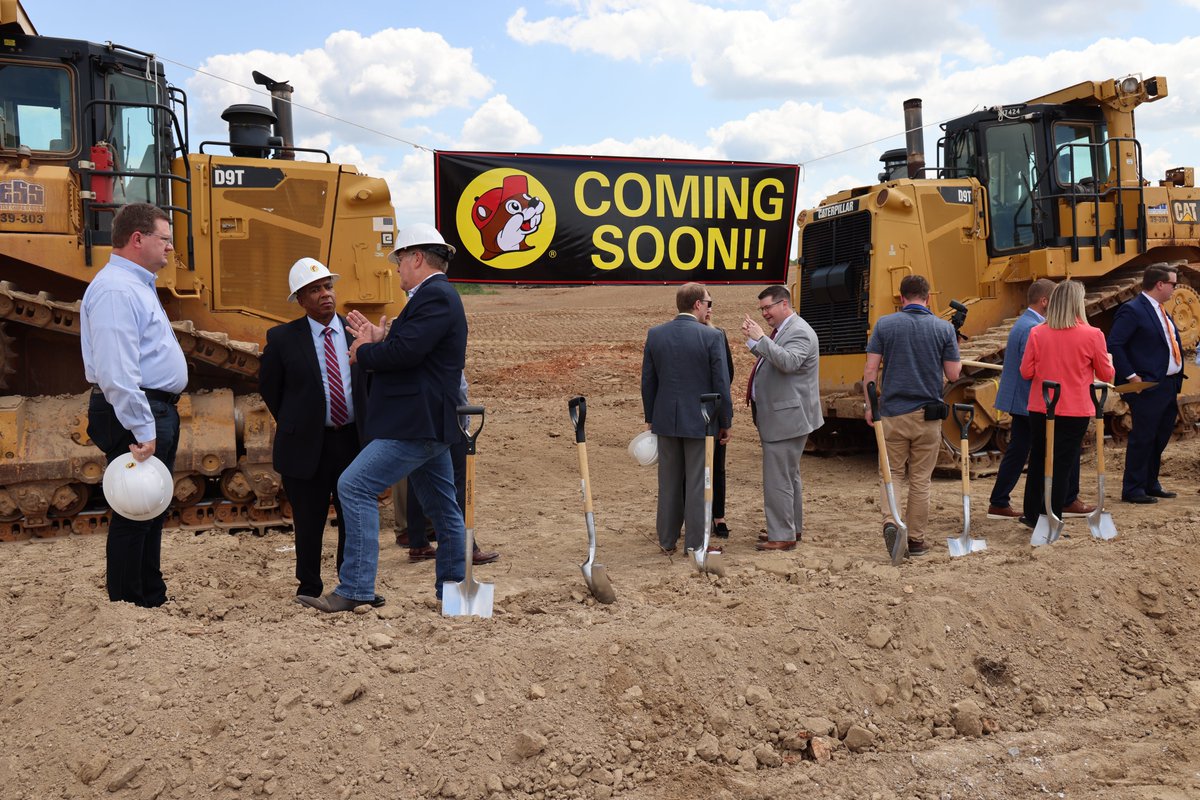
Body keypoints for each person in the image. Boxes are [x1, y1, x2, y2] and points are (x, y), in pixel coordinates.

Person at [297, 223, 468, 612]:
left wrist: (365, 353)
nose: (396, 270)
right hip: (426, 421)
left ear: (417, 259)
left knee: (353, 486)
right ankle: (455, 594)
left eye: (400, 261)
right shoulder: (433, 297)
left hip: (415, 423)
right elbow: (412, 347)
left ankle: (356, 587)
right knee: (444, 510)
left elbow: (408, 355)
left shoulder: (435, 296)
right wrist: (380, 338)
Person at [80, 202, 188, 607]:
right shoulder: (115, 290)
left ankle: (149, 597)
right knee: (134, 509)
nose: (171, 249)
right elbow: (116, 372)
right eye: (165, 239)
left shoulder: (135, 285)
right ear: (138, 238)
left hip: (152, 409)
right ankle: (128, 604)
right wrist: (143, 428)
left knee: (151, 506)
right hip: (137, 412)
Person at [259, 258, 380, 606]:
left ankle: (350, 584)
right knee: (309, 520)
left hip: (352, 441)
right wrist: (298, 421)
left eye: (327, 287)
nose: (325, 294)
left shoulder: (357, 334)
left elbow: (370, 382)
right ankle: (308, 586)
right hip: (306, 444)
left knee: (353, 517)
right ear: (300, 299)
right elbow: (271, 388)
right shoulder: (282, 339)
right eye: (315, 290)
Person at [862, 274, 961, 558]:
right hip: (928, 416)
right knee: (920, 480)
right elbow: (953, 374)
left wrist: (870, 405)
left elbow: (871, 371)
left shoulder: (885, 325)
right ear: (928, 298)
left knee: (891, 474)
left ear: (901, 297)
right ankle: (916, 540)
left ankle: (891, 521)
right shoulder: (943, 329)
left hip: (892, 414)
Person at [988, 280, 1094, 520]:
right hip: (1032, 401)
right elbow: (1035, 369)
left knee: (1021, 450)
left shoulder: (1028, 323)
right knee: (1045, 454)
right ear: (1045, 301)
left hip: (1026, 400)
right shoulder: (1033, 328)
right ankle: (1064, 500)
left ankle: (1000, 501)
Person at [641, 283, 732, 555]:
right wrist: (725, 421)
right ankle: (695, 544)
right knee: (697, 482)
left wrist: (651, 417)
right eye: (707, 302)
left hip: (666, 419)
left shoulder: (656, 334)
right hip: (701, 422)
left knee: (668, 483)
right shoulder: (711, 337)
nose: (709, 307)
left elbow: (648, 381)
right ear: (697, 305)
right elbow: (721, 383)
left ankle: (667, 540)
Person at [1019, 280, 1115, 525]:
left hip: (1041, 406)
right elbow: (1106, 375)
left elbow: (1026, 372)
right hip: (1074, 409)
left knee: (1039, 458)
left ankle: (1032, 514)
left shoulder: (1037, 332)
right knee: (1062, 464)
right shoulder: (1092, 335)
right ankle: (1050, 516)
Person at [741, 285, 823, 551]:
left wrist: (761, 339)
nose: (765, 313)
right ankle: (790, 529)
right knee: (789, 477)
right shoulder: (787, 329)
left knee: (778, 478)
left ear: (784, 304)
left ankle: (782, 535)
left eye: (768, 307)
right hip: (786, 415)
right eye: (762, 309)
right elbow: (778, 361)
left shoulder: (798, 331)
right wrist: (757, 344)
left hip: (787, 418)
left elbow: (789, 363)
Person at [1107, 263, 1185, 504]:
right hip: (1147, 386)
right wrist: (1131, 376)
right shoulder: (1133, 310)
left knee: (1160, 436)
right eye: (1173, 283)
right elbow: (1115, 344)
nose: (1175, 288)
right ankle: (1133, 489)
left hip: (1169, 384)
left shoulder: (1161, 310)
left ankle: (1151, 483)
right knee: (1143, 437)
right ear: (1159, 284)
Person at [404, 373, 499, 565]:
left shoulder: (413, 348)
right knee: (458, 484)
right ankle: (467, 547)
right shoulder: (445, 350)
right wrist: (463, 424)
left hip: (419, 419)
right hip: (449, 422)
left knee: (419, 477)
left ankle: (418, 542)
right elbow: (459, 388)